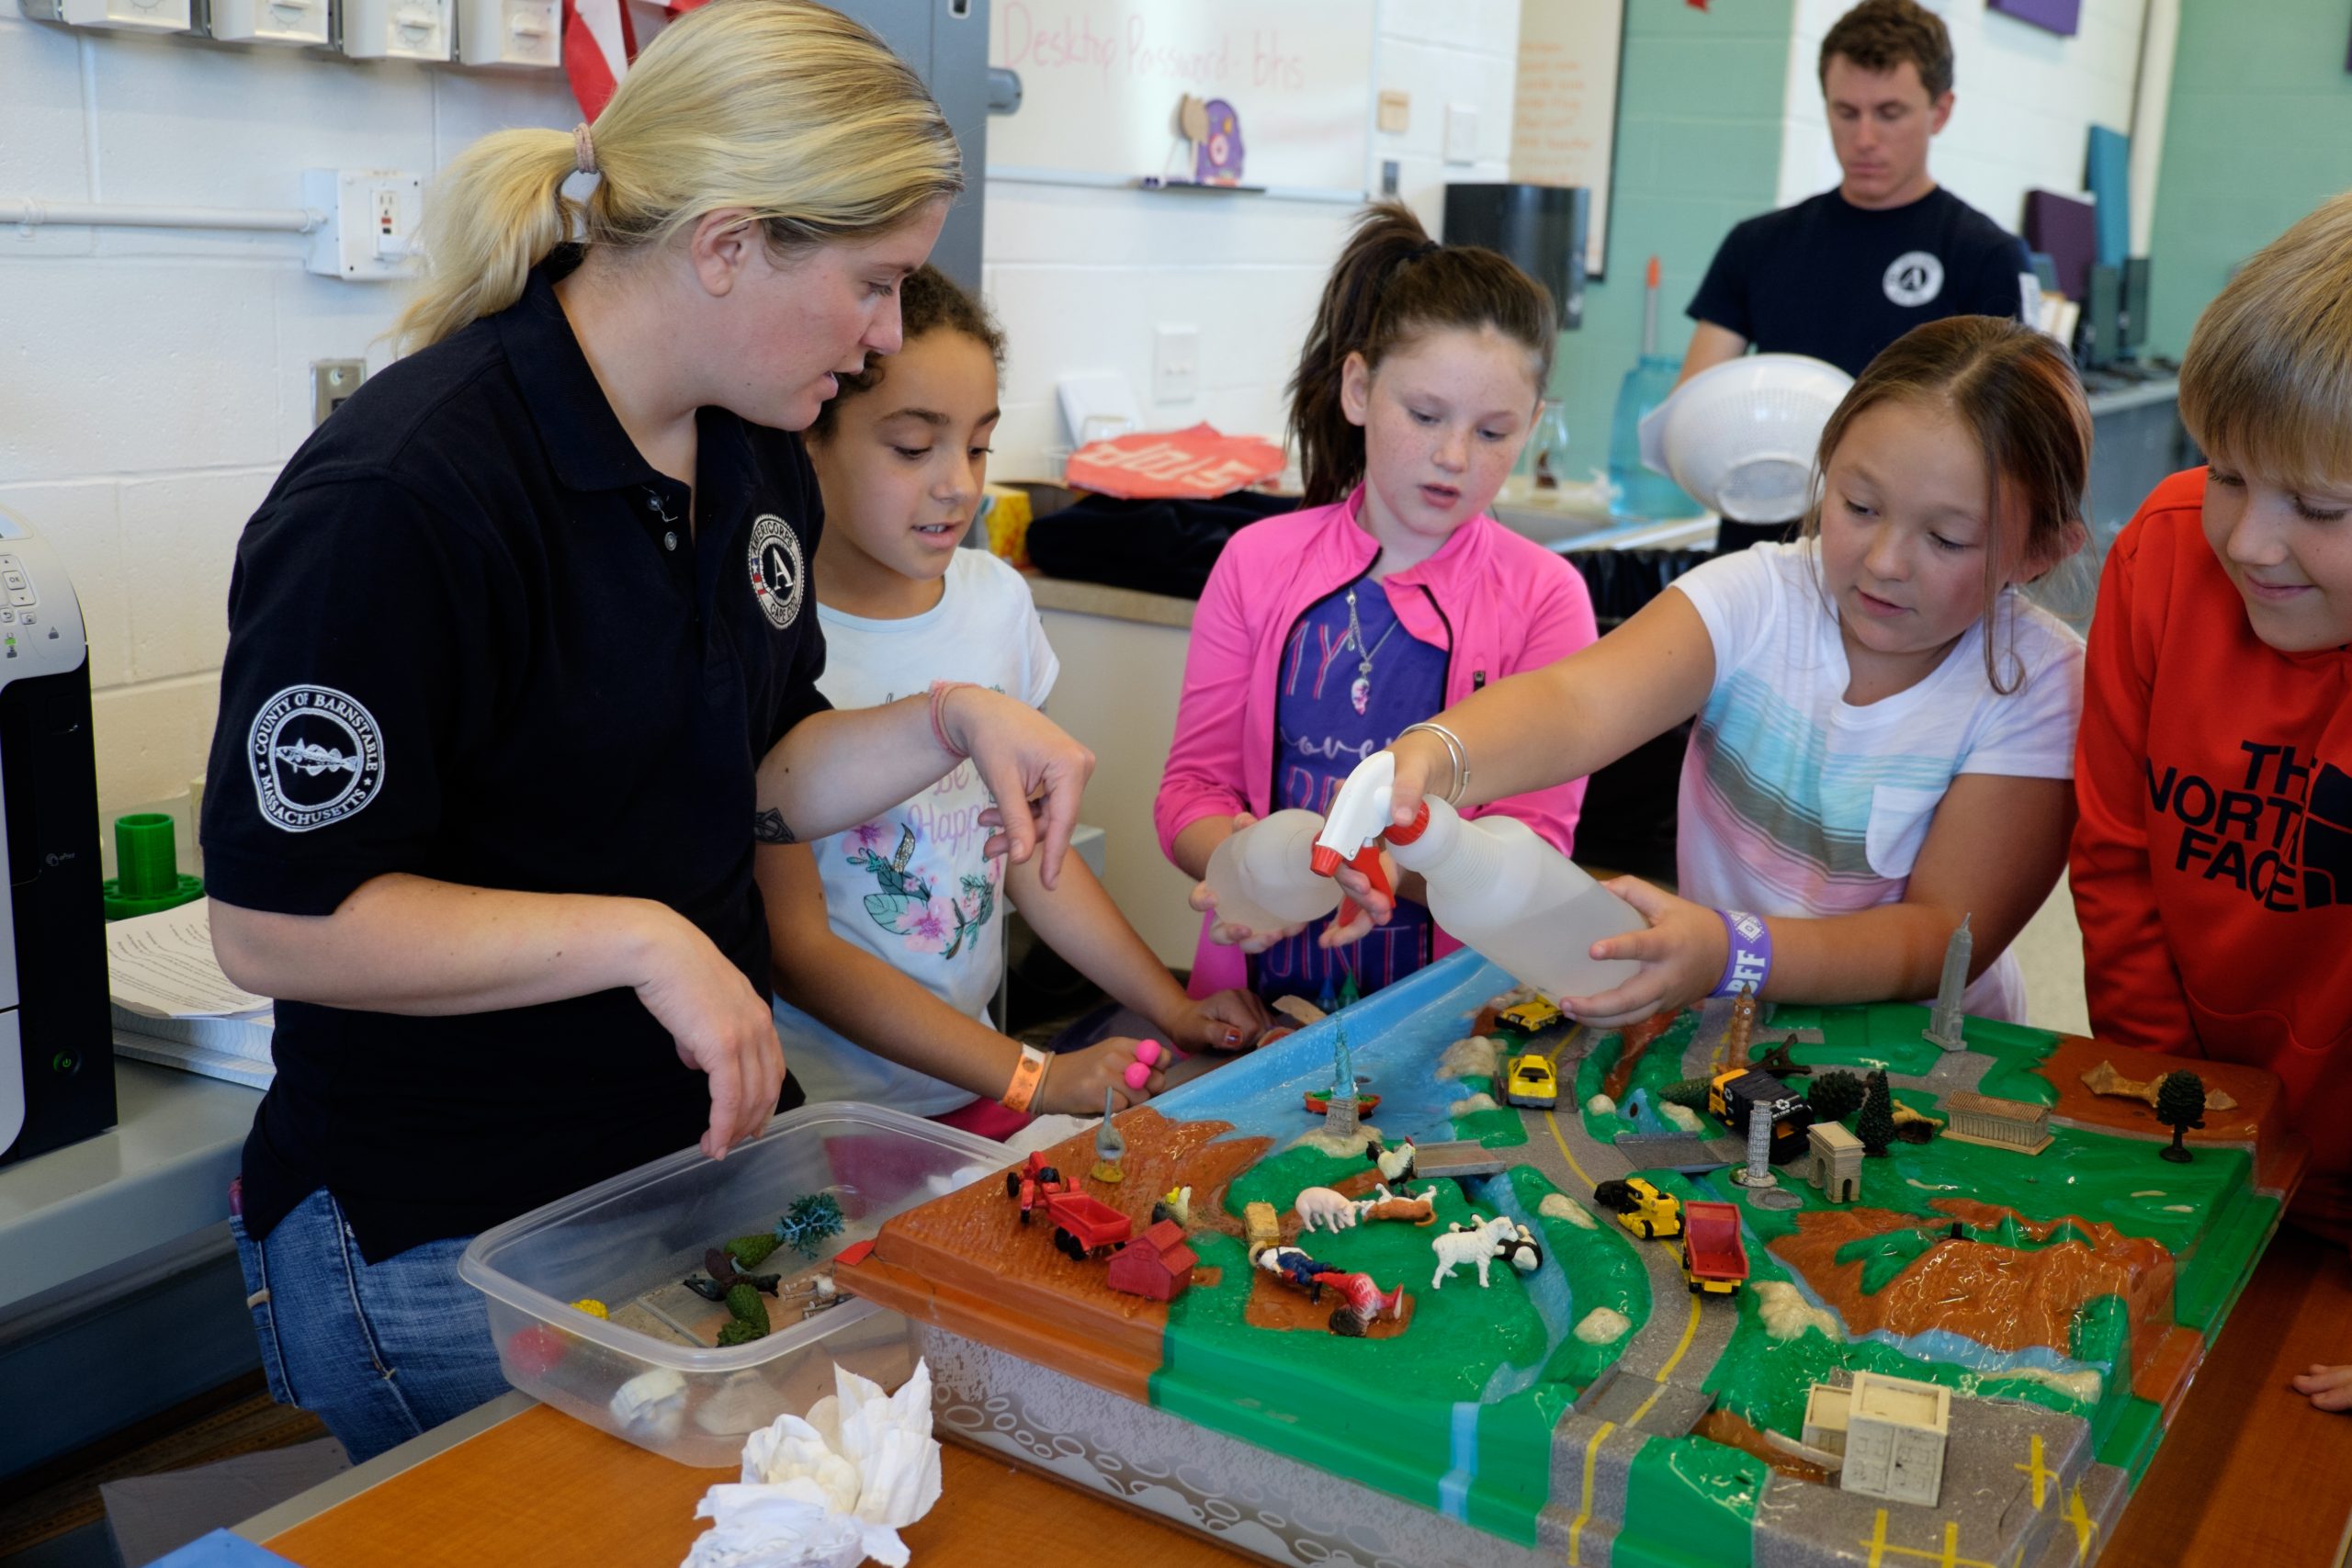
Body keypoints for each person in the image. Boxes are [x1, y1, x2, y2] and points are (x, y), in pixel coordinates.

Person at [198, 5, 1091, 1463]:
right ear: (729, 244)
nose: (883, 339)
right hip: (453, 1231)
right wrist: (644, 936)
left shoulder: (745, 452)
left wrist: (946, 716)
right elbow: (277, 925)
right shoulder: (405, 499)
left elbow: (759, 769)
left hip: (692, 1176)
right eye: (875, 285)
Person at [1345, 316, 2088, 1028]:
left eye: (1947, 538)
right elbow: (1577, 702)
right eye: (1859, 505)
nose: (1885, 561)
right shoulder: (1760, 595)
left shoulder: (2037, 684)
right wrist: (1436, 754)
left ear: (2038, 552)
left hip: (1924, 1060)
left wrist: (1734, 951)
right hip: (1729, 1018)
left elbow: (1936, 939)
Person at [759, 265, 1269, 1136]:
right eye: (914, 448)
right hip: (825, 1122)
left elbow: (1037, 857)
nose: (958, 483)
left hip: (979, 1093)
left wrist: (1172, 1005)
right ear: (811, 434)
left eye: (980, 445)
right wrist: (1037, 1075)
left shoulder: (996, 601)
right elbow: (802, 953)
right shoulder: (772, 633)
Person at [1155, 202, 1600, 1010]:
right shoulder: (1257, 563)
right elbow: (1191, 790)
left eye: (1495, 431)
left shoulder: (1546, 598)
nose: (1454, 456)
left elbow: (1535, 845)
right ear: (1360, 388)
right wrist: (1258, 869)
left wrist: (1390, 868)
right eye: (1425, 415)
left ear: (1533, 426)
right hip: (1253, 1006)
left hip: (1452, 1018)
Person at [2068, 197, 2352, 1393]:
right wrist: (2179, 1105)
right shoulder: (2164, 553)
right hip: (2207, 1132)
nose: (2250, 539)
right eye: (2228, 473)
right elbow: (2119, 858)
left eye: (2323, 509)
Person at [1679, 0, 2039, 551]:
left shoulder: (1986, 256)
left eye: (1890, 113)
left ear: (1940, 111)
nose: (1865, 137)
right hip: (1764, 545)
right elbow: (1696, 402)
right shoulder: (1758, 243)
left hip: (1907, 561)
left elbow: (2015, 441)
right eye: (1846, 112)